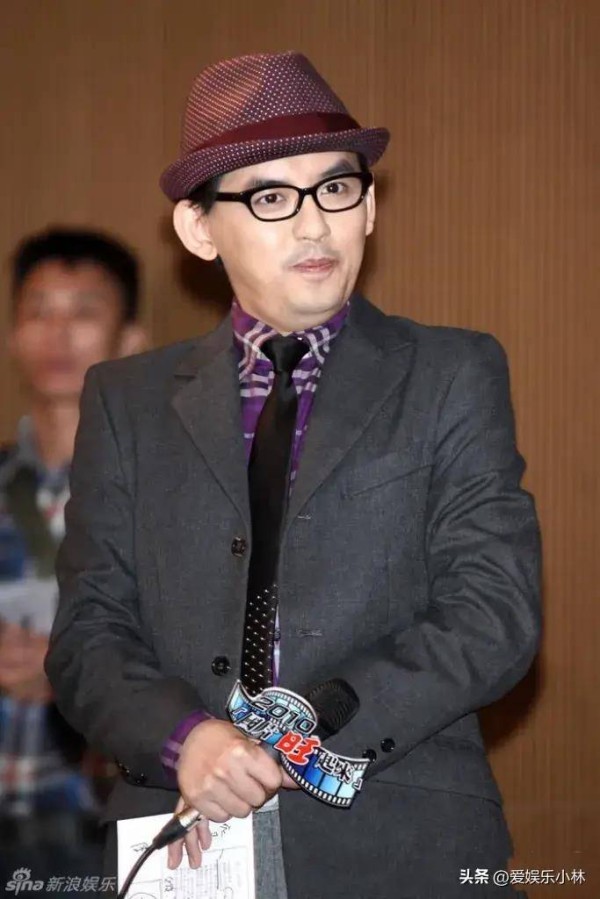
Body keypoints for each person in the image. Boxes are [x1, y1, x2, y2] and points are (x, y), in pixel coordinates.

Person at [46, 52, 541, 898]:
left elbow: (494, 611)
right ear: (199, 229)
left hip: (400, 840)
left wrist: (303, 728)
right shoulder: (125, 400)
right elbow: (89, 633)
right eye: (272, 198)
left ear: (370, 207)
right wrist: (185, 739)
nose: (315, 226)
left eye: (336, 188)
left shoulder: (450, 373)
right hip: (182, 839)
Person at [0, 228, 145, 886]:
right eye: (38, 311)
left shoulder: (160, 494)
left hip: (103, 827)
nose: (57, 334)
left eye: (84, 311)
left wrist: (70, 675)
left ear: (130, 339)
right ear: (13, 335)